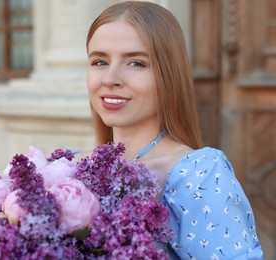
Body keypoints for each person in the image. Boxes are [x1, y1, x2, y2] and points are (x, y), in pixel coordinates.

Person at [86, 1, 263, 259]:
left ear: (168, 73)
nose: (110, 78)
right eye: (100, 61)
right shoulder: (73, 172)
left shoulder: (197, 175)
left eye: (136, 63)